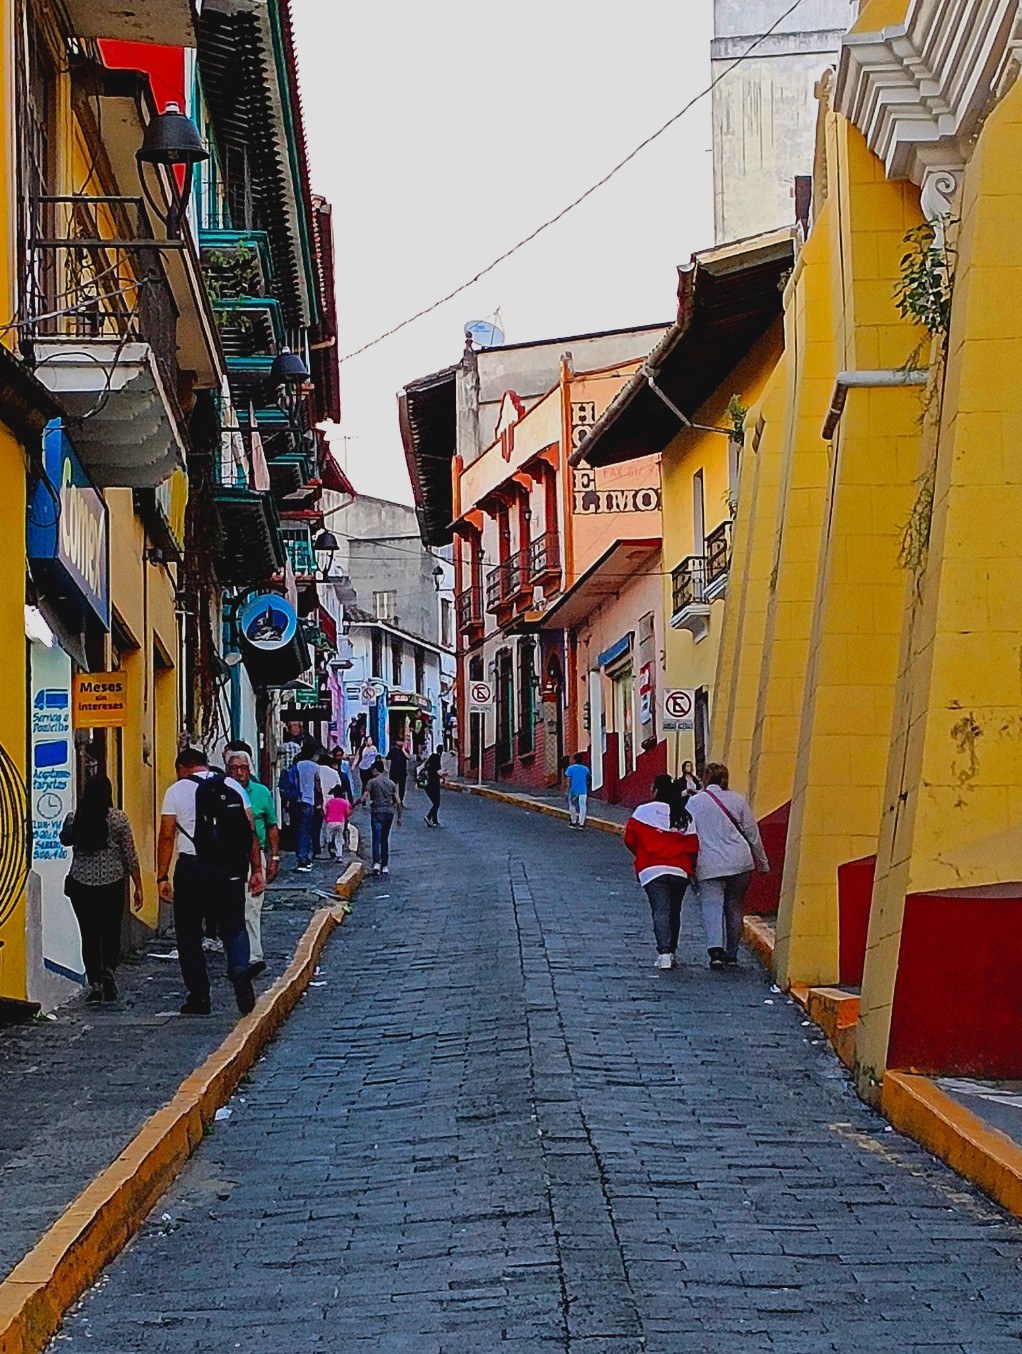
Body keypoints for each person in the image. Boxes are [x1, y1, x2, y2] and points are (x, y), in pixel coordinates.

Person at [156, 748, 263, 1015]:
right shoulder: (233, 786)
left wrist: (161, 876)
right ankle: (239, 969)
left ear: (182, 767)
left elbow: (167, 835)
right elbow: (249, 831)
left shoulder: (176, 791)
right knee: (234, 925)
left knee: (189, 933)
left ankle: (199, 996)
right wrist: (257, 869)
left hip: (192, 868)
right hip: (230, 868)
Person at [60, 775, 143, 1004]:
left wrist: (72, 826)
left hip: (81, 884)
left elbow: (64, 840)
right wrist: (138, 885)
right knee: (110, 931)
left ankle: (94, 984)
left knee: (89, 933)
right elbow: (129, 853)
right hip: (111, 884)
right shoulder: (118, 819)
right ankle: (109, 969)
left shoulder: (75, 818)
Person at [685, 762, 769, 970]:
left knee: (711, 906)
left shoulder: (694, 803)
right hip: (740, 862)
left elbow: (687, 834)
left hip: (709, 862)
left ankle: (715, 951)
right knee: (735, 906)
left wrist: (688, 865)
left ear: (704, 779)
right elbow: (752, 834)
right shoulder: (738, 800)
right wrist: (763, 863)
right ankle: (732, 953)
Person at [623, 774, 700, 970]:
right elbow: (693, 847)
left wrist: (642, 854)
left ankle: (664, 952)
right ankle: (671, 951)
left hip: (652, 869)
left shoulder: (643, 812)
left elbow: (630, 839)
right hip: (680, 870)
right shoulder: (684, 816)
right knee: (675, 911)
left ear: (656, 790)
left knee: (660, 910)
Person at [225, 750, 279, 978]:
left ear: (249, 770)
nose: (239, 773)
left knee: (253, 908)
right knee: (233, 909)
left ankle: (254, 956)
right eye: (234, 768)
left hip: (256, 858)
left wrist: (274, 858)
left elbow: (271, 826)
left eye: (243, 768)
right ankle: (238, 954)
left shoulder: (261, 793)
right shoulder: (222, 791)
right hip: (228, 858)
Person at [356, 756, 403, 874]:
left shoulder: (372, 782)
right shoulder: (391, 783)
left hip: (376, 812)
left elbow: (363, 798)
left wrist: (354, 804)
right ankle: (385, 865)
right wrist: (399, 817)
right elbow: (398, 801)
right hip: (388, 813)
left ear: (376, 770)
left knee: (376, 838)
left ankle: (376, 863)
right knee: (385, 839)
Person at [292, 744, 320, 872]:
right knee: (306, 831)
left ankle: (301, 856)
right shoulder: (315, 767)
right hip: (309, 802)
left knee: (298, 831)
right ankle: (303, 859)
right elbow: (318, 787)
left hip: (296, 801)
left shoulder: (297, 765)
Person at [315, 754, 342, 856]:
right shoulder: (334, 773)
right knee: (330, 824)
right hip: (331, 801)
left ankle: (320, 846)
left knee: (318, 825)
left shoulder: (316, 770)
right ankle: (330, 843)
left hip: (318, 800)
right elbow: (339, 786)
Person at [323, 786, 353, 859]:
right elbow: (349, 813)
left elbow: (326, 812)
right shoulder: (345, 802)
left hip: (330, 822)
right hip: (340, 822)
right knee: (339, 838)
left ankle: (330, 845)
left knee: (329, 837)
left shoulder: (330, 802)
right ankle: (339, 855)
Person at [563, 753, 592, 829]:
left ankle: (573, 821)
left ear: (575, 760)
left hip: (573, 790)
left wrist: (566, 790)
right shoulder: (585, 769)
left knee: (572, 805)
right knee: (583, 806)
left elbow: (568, 780)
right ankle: (581, 823)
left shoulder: (570, 768)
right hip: (583, 790)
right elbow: (588, 778)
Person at [423, 747, 443, 827]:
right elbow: (439, 771)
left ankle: (435, 820)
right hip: (434, 784)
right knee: (436, 803)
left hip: (427, 785)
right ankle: (429, 816)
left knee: (435, 802)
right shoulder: (437, 759)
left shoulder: (429, 762)